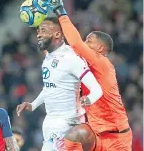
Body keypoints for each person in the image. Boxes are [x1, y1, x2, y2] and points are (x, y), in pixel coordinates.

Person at [41, 0, 132, 151]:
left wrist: (61, 12)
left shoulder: (102, 62)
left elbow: (75, 43)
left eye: (89, 40)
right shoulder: (83, 65)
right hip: (97, 135)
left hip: (118, 139)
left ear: (101, 48)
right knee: (76, 133)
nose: (84, 43)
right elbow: (62, 51)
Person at [16, 17, 103, 151]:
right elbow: (49, 87)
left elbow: (97, 89)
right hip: (51, 125)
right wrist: (33, 104)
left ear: (57, 34)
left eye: (43, 30)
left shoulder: (71, 59)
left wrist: (88, 99)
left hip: (68, 127)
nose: (38, 34)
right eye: (38, 31)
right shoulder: (48, 59)